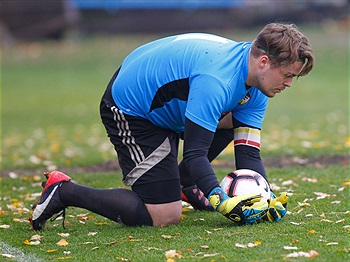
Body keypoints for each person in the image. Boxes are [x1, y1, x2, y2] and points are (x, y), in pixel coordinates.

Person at [30, 22, 314, 230]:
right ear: (264, 61)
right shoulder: (218, 81)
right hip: (131, 108)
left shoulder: (256, 85)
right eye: (287, 75)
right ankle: (65, 191)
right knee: (164, 216)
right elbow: (195, 154)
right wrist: (218, 198)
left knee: (232, 116)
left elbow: (249, 155)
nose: (289, 84)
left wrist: (264, 196)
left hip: (173, 103)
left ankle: (186, 184)